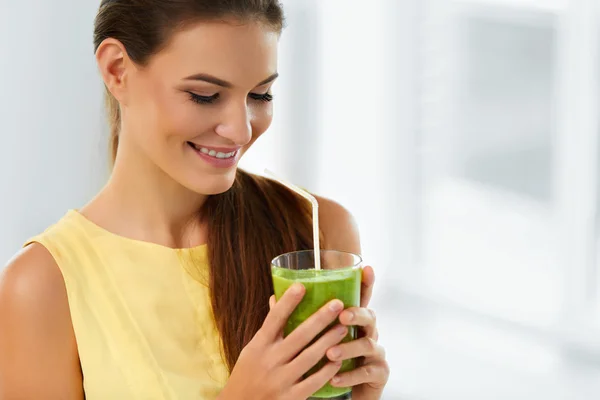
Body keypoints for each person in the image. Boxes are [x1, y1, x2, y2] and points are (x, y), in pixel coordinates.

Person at [0, 0, 389, 399]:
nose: (240, 130)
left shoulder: (316, 231)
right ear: (118, 70)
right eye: (205, 95)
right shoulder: (43, 286)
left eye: (261, 94)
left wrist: (358, 395)